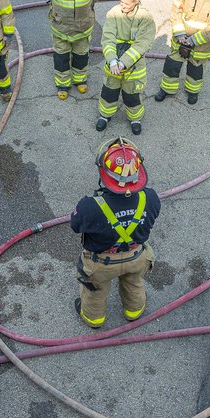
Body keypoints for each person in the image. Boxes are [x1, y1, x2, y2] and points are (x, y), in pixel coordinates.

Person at [70, 138, 160, 328]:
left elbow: (76, 226)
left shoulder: (90, 206)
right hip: (137, 257)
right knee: (133, 282)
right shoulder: (150, 198)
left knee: (95, 290)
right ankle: (133, 311)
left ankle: (94, 319)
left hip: (101, 264)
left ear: (104, 175)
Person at [42, 0, 105, 100]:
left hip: (83, 24)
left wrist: (87, 6)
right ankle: (63, 84)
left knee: (81, 54)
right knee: (61, 56)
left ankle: (80, 79)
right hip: (60, 24)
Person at [98, 0, 156, 135]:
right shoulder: (113, 13)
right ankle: (105, 115)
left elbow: (142, 44)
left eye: (127, 4)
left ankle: (135, 118)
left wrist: (123, 63)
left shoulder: (145, 18)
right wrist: (112, 60)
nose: (123, 6)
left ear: (136, 2)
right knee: (109, 92)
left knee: (132, 95)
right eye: (121, 2)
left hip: (133, 67)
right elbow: (108, 38)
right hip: (113, 64)